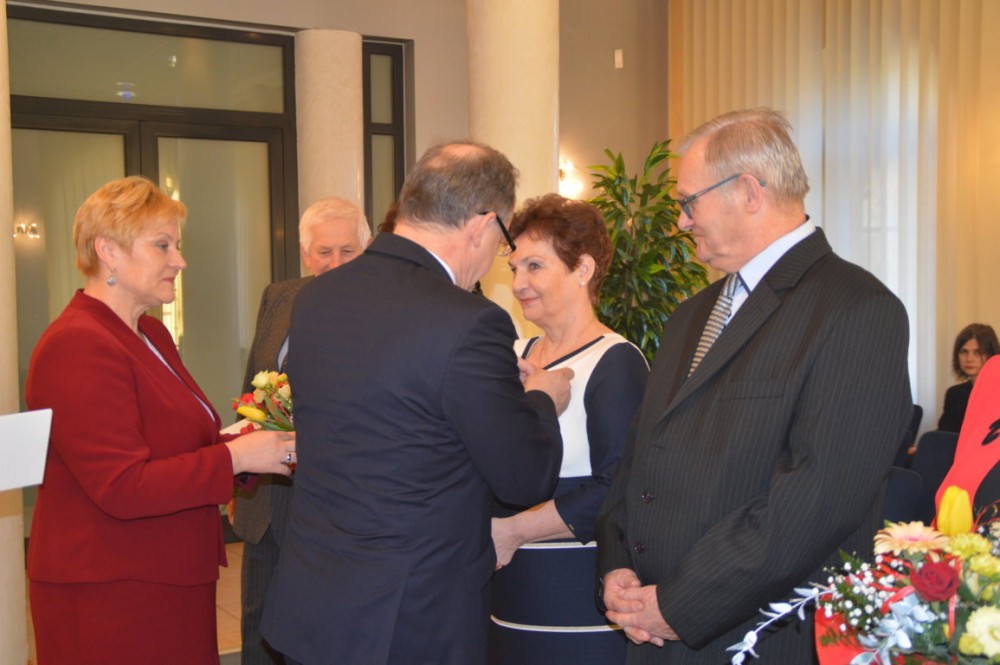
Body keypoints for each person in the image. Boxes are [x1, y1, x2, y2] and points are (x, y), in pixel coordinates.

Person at [595, 108, 912, 664]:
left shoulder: (857, 309)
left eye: (689, 202)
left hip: (757, 639)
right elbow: (642, 453)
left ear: (747, 191)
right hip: (652, 629)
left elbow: (816, 501)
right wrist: (617, 563)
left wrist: (681, 603)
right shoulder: (690, 316)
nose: (682, 222)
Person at [260, 141, 573, 665]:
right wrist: (541, 399)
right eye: (502, 243)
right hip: (410, 621)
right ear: (482, 225)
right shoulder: (469, 322)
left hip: (313, 606)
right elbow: (523, 480)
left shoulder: (316, 298)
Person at [25, 175, 296, 665]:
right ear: (107, 250)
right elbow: (122, 485)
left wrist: (251, 443)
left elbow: (172, 445)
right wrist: (234, 457)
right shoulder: (77, 343)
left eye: (178, 245)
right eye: (162, 245)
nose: (179, 260)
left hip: (162, 575)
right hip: (112, 593)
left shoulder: (151, 333)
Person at [489, 194, 648, 663]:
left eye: (534, 266)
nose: (518, 283)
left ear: (583, 269)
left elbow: (618, 487)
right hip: (502, 604)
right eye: (514, 268)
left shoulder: (615, 361)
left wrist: (513, 530)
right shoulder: (511, 355)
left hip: (576, 611)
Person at [233, 196, 371, 665]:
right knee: (258, 633)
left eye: (348, 251)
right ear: (305, 254)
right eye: (323, 251)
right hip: (268, 505)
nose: (335, 262)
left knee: (321, 638)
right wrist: (239, 477)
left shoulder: (384, 313)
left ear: (367, 250)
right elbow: (253, 385)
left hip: (337, 509)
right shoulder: (279, 296)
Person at [937, 323, 1000, 432]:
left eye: (978, 352)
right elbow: (945, 434)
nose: (969, 359)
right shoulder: (954, 394)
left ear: (991, 355)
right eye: (964, 352)